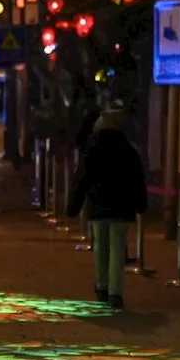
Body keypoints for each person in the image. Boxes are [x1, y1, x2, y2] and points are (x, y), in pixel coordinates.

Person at [65, 107, 147, 309]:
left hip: (97, 208)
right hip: (121, 209)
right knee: (118, 250)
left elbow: (81, 180)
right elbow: (137, 181)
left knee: (100, 248)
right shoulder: (129, 151)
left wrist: (73, 207)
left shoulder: (91, 150)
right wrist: (141, 205)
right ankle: (115, 293)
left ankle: (101, 286)